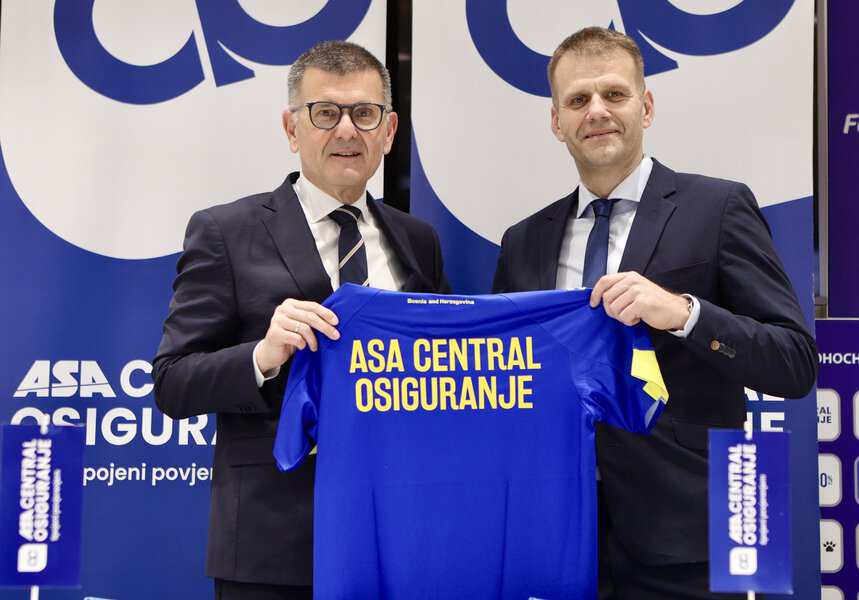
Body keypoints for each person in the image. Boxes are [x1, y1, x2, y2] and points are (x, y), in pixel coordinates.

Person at [492, 27, 817, 600]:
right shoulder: (523, 240)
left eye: (614, 94)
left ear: (646, 106)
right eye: (578, 99)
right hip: (556, 538)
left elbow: (793, 362)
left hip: (686, 537)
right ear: (556, 121)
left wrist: (684, 313)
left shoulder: (718, 207)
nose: (597, 111)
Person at [153, 40, 449, 600]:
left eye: (365, 114)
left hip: (399, 536)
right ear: (292, 129)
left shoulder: (419, 241)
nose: (347, 130)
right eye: (325, 113)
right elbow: (172, 382)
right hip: (274, 546)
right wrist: (263, 356)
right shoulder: (225, 232)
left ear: (388, 131)